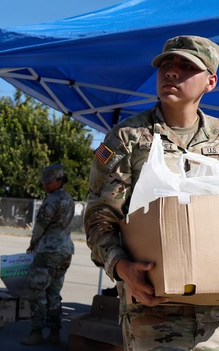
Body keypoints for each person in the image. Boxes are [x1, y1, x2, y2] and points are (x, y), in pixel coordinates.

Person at [84, 35, 219, 350]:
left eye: (187, 66)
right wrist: (122, 268)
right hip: (153, 314)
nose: (172, 72)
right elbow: (99, 218)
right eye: (167, 65)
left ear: (210, 81)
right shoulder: (129, 138)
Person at [21, 164, 75, 346]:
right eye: (44, 181)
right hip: (65, 250)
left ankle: (36, 332)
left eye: (49, 181)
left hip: (49, 251)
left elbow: (41, 225)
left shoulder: (52, 200)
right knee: (54, 292)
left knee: (36, 290)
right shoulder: (68, 198)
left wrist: (33, 243)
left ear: (59, 181)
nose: (45, 184)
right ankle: (54, 333)